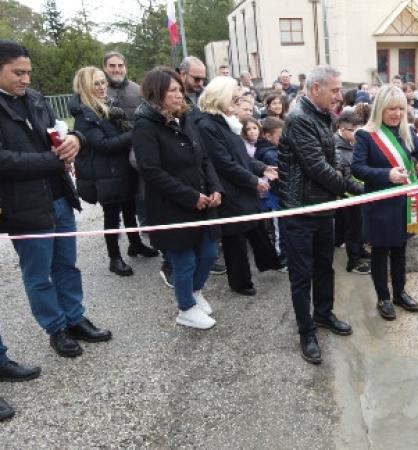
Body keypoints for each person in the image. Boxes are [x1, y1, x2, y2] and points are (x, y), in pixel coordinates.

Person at [0, 40, 112, 357]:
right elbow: (4, 160)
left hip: (60, 196)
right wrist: (53, 161)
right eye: (18, 73)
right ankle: (56, 327)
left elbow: (60, 131)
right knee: (38, 275)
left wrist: (76, 139)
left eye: (28, 73)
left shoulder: (35, 99)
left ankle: (76, 319)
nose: (26, 80)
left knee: (67, 265)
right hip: (23, 205)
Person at [351, 85, 418, 321]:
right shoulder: (365, 135)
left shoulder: (406, 131)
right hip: (379, 204)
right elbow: (357, 168)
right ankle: (384, 298)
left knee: (400, 249)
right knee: (380, 253)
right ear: (380, 108)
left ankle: (399, 292)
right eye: (391, 108)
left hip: (403, 203)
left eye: (400, 108)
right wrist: (386, 174)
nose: (396, 113)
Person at [278, 65, 360, 364]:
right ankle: (306, 331)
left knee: (325, 266)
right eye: (335, 90)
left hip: (323, 206)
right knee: (302, 276)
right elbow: (317, 167)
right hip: (300, 210)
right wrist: (352, 188)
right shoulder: (299, 119)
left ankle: (323, 314)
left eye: (339, 90)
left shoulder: (323, 115)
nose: (340, 96)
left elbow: (333, 154)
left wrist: (348, 181)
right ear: (316, 89)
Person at [133, 67, 223, 329]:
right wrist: (190, 196)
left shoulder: (187, 119)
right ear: (156, 94)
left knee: (207, 253)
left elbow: (204, 158)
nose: (179, 95)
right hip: (171, 206)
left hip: (202, 203)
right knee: (185, 261)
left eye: (179, 90)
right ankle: (185, 309)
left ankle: (195, 293)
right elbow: (151, 171)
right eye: (172, 90)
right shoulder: (145, 126)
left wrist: (215, 188)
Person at [70, 66, 158, 277]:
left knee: (129, 210)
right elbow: (103, 145)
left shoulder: (109, 107)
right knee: (111, 217)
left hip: (120, 169)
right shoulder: (85, 115)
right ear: (85, 87)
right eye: (96, 84)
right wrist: (134, 134)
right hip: (103, 174)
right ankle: (114, 258)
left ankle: (135, 244)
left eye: (103, 82)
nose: (102, 87)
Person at [196, 76, 280, 297]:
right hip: (229, 189)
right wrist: (254, 181)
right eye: (234, 96)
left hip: (240, 186)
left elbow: (242, 156)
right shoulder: (207, 125)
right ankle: (240, 282)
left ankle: (270, 262)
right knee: (235, 239)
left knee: (254, 227)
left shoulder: (227, 122)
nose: (237, 100)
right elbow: (224, 164)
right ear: (220, 97)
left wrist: (262, 168)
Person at [333, 111, 369, 274]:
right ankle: (354, 261)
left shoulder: (354, 142)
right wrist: (366, 191)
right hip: (350, 196)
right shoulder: (336, 149)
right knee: (352, 229)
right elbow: (345, 180)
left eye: (359, 129)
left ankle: (360, 250)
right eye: (353, 129)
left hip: (360, 193)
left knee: (359, 225)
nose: (357, 133)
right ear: (342, 128)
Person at [255, 117, 287, 266]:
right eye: (280, 136)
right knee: (278, 230)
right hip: (275, 196)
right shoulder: (269, 154)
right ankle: (279, 258)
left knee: (284, 228)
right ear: (268, 136)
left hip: (281, 196)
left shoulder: (275, 149)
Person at [102, 51, 141, 120]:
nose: (117, 70)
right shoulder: (96, 91)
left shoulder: (139, 91)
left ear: (125, 68)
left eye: (120, 65)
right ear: (105, 68)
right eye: (112, 66)